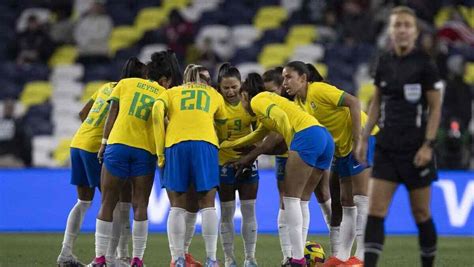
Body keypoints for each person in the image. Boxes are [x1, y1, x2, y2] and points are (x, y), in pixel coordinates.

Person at [355, 6, 442, 267]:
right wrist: (363, 137)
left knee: (421, 213)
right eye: (397, 25)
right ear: (391, 31)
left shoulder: (425, 64)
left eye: (407, 25)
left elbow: (436, 107)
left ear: (414, 31)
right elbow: (375, 102)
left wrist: (428, 145)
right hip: (387, 148)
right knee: (376, 211)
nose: (402, 30)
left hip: (416, 149)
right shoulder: (384, 61)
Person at [220, 73, 334, 267]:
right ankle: (333, 254)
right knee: (302, 200)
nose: (241, 104)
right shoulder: (267, 106)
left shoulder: (259, 100)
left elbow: (280, 117)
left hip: (305, 137)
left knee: (290, 200)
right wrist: (224, 146)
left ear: (245, 95)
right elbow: (257, 136)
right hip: (323, 137)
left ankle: (297, 259)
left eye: (241, 98)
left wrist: (292, 139)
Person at [88, 51, 182, 267]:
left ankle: (100, 258)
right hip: (144, 151)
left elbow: (112, 114)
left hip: (118, 145)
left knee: (107, 203)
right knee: (140, 205)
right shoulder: (164, 93)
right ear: (164, 78)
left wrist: (103, 143)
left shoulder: (126, 83)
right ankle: (137, 259)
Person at [281, 61, 378, 266]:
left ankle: (361, 257)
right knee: (345, 202)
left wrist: (358, 139)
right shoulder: (299, 103)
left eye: (289, 77)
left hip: (360, 139)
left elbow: (353, 101)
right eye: (283, 78)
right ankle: (342, 256)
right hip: (342, 148)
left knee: (361, 198)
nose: (285, 82)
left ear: (303, 78)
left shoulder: (318, 90)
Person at [57, 57, 146, 267]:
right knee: (111, 203)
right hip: (95, 148)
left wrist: (91, 132)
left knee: (83, 202)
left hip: (78, 143)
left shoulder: (107, 87)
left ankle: (65, 254)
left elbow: (83, 113)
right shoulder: (129, 94)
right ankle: (110, 258)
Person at [152, 63, 227, 267]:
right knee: (208, 204)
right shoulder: (213, 94)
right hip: (205, 143)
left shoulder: (172, 93)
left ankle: (178, 259)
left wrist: (160, 151)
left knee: (177, 206)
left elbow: (156, 111)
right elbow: (223, 123)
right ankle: (211, 259)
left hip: (175, 144)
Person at [261, 68, 332, 266]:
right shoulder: (280, 104)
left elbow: (278, 136)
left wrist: (253, 151)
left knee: (320, 196)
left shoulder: (295, 102)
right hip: (287, 156)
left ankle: (336, 249)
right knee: (288, 201)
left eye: (273, 91)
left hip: (308, 150)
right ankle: (289, 255)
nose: (270, 96)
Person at [167, 64, 211, 267]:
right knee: (179, 203)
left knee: (193, 205)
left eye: (208, 79)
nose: (205, 84)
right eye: (202, 78)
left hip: (194, 148)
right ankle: (176, 257)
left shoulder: (211, 97)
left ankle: (183, 255)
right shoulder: (174, 96)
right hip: (177, 149)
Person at [215, 63, 259, 267]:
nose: (231, 91)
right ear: (219, 87)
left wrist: (253, 150)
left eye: (234, 87)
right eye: (226, 88)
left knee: (249, 211)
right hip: (224, 162)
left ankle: (250, 258)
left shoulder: (249, 103)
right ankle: (229, 259)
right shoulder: (216, 105)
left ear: (241, 85)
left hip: (249, 162)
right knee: (226, 212)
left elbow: (263, 132)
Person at [74, 1, 112, 65]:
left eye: (97, 6)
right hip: (83, 53)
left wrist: (89, 39)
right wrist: (84, 42)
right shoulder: (83, 20)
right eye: (94, 6)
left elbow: (103, 35)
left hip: (100, 53)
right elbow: (77, 34)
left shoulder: (106, 20)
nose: (95, 8)